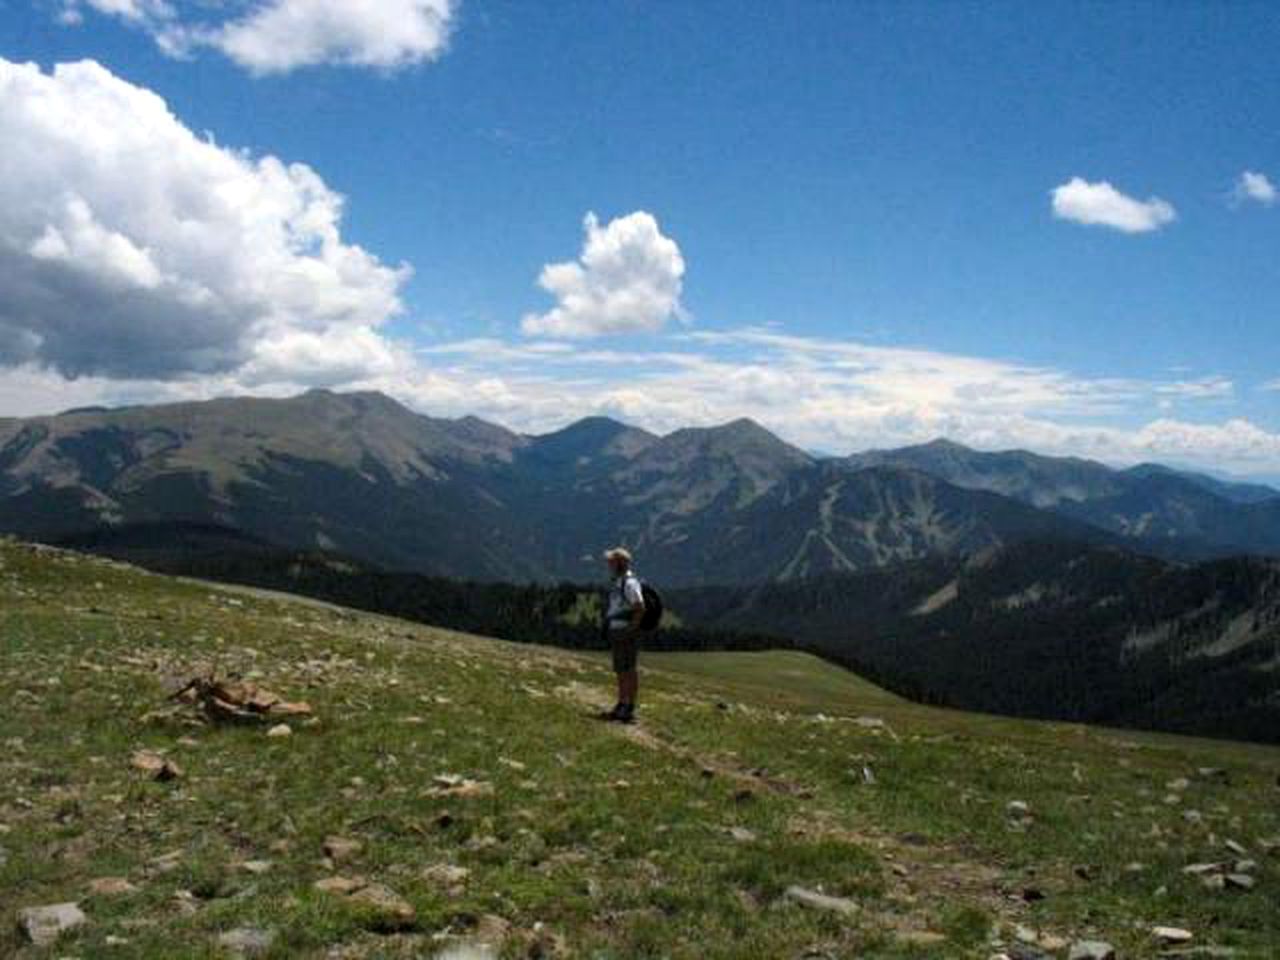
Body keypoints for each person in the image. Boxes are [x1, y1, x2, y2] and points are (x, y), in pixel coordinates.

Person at [601, 546, 645, 723]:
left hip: (625, 631)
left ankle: (629, 707)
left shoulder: (630, 583)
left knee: (628, 669)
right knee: (620, 669)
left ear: (620, 563)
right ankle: (621, 704)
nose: (609, 564)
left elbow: (640, 607)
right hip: (617, 630)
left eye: (611, 561)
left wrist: (631, 628)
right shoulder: (619, 582)